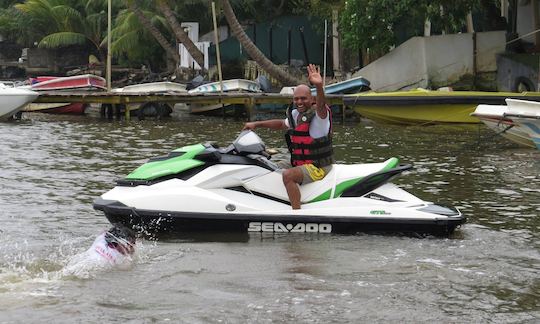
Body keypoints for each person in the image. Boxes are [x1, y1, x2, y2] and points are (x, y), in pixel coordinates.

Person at [243, 64, 333, 209]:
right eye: (296, 99)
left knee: (288, 176)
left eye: (303, 98)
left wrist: (319, 86)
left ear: (311, 99)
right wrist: (256, 124)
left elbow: (322, 105)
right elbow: (280, 124)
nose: (299, 102)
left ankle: (296, 213)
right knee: (265, 165)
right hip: (300, 163)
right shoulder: (296, 114)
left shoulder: (320, 116)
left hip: (318, 166)